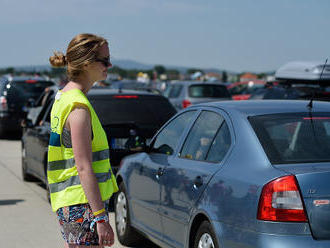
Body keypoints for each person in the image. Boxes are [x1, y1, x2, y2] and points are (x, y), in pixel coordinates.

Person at [48, 33, 118, 248]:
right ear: (87, 63)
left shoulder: (63, 98)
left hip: (73, 201)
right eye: (104, 60)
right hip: (83, 203)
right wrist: (100, 217)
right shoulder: (78, 107)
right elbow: (83, 165)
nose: (110, 64)